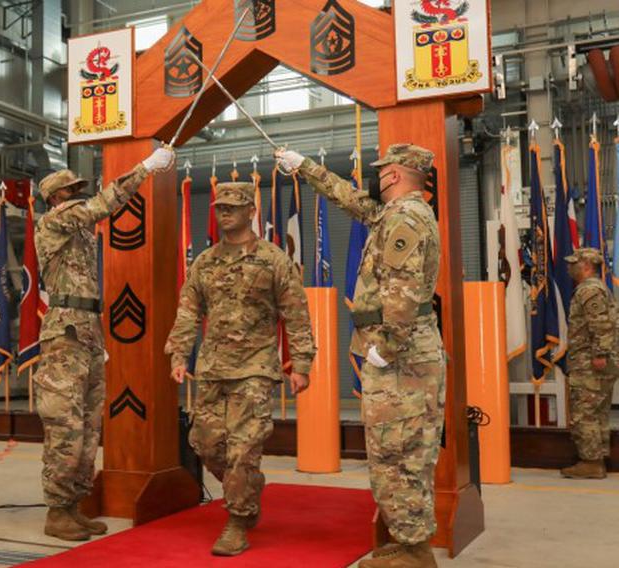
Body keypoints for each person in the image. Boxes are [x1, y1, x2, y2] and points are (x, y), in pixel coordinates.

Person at [276, 144, 443, 568]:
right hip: (399, 352)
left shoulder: (405, 217)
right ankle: (409, 542)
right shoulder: (395, 213)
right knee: (397, 450)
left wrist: (384, 350)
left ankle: (414, 551)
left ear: (393, 175)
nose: (376, 177)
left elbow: (403, 293)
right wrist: (306, 167)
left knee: (399, 451)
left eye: (381, 170)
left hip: (400, 357)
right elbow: (352, 201)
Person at [164, 182, 315, 557]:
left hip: (255, 368)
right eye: (220, 207)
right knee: (205, 443)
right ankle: (247, 487)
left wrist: (302, 363)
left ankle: (237, 519)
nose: (224, 212)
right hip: (214, 368)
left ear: (251, 211)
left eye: (233, 206)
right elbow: (188, 312)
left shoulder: (273, 259)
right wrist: (179, 355)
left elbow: (295, 313)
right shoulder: (205, 261)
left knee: (243, 450)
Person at [34, 146, 175, 541]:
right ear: (55, 199)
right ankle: (57, 509)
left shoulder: (79, 232)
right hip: (65, 335)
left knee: (88, 426)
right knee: (64, 426)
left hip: (88, 331)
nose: (77, 195)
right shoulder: (55, 222)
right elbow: (102, 205)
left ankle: (74, 504)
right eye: (70, 191)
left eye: (78, 189)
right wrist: (144, 168)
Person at [561, 248, 618, 480]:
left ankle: (591, 462)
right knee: (597, 412)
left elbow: (601, 325)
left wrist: (600, 354)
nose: (568, 267)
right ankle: (597, 459)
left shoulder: (590, 290)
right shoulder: (594, 288)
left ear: (586, 266)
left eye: (573, 263)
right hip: (594, 361)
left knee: (585, 412)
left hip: (591, 363)